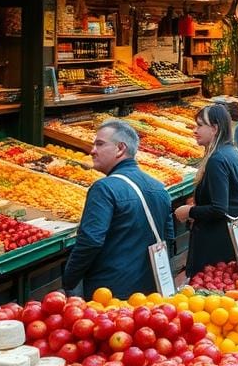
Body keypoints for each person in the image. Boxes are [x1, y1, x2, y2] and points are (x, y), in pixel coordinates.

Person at [63, 120, 175, 299]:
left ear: (120, 148)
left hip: (110, 292)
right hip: (151, 289)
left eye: (100, 144)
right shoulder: (159, 187)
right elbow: (168, 235)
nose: (92, 150)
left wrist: (69, 280)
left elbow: (90, 240)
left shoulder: (104, 188)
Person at [175, 104, 238, 277]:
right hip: (231, 243)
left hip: (216, 247)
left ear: (215, 128)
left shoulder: (217, 160)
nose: (195, 130)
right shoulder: (233, 153)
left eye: (200, 125)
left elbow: (219, 209)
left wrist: (190, 211)